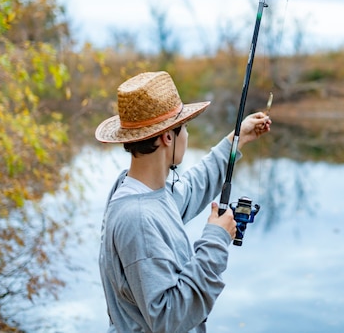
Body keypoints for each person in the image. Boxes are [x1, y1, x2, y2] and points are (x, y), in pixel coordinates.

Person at [94, 71, 271, 333]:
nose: (186, 136)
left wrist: (237, 139)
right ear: (167, 137)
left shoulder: (143, 191)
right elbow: (170, 318)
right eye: (185, 128)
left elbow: (189, 190)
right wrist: (215, 240)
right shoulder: (139, 217)